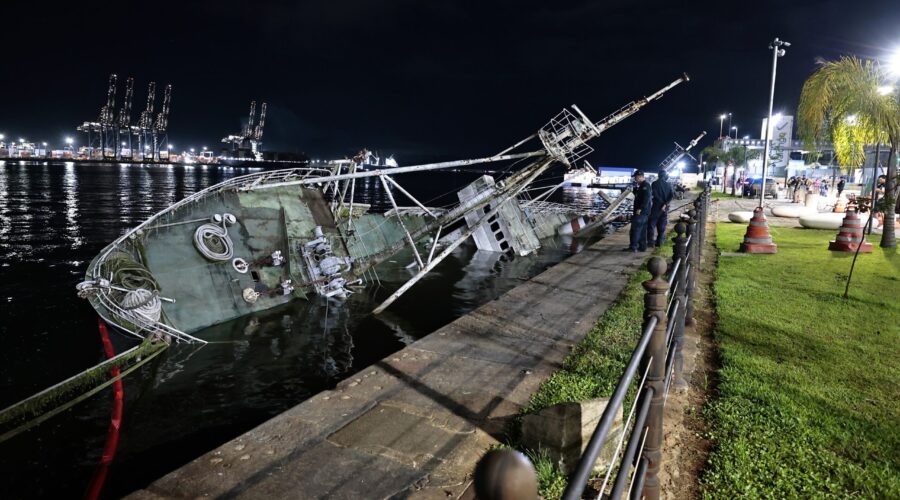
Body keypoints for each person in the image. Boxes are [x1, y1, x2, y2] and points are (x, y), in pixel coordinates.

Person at [647, 170, 675, 248]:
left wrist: (661, 203)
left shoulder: (654, 183)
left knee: (651, 225)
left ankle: (650, 242)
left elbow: (654, 194)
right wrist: (665, 204)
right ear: (665, 176)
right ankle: (660, 242)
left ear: (659, 175)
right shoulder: (669, 184)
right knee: (662, 225)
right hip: (665, 208)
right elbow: (671, 195)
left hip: (656, 207)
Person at [626, 170, 651, 252]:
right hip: (644, 212)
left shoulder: (645, 186)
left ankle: (633, 247)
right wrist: (634, 189)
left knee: (635, 229)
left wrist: (640, 208)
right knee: (642, 230)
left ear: (640, 177)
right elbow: (639, 196)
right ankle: (642, 247)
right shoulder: (641, 186)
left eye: (636, 177)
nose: (635, 179)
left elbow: (646, 198)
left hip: (641, 212)